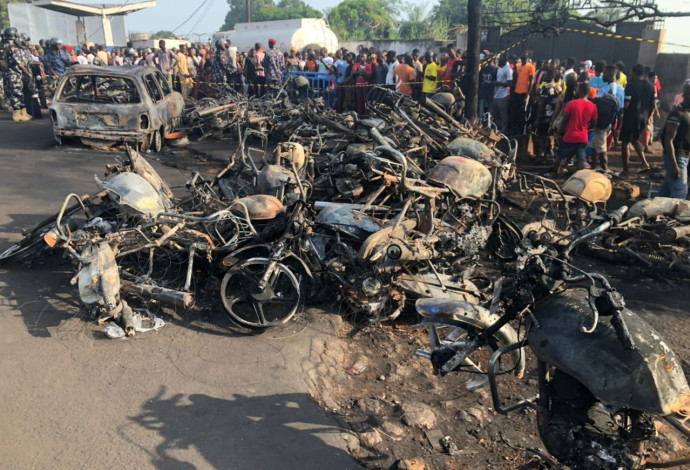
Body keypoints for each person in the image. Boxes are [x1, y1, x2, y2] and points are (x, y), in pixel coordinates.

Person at [553, 82, 598, 175]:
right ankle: (580, 177)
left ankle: (555, 174)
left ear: (579, 91)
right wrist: (586, 127)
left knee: (560, 155)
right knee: (581, 158)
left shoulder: (571, 104)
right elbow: (594, 123)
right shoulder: (592, 106)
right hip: (583, 137)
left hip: (569, 135)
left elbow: (564, 120)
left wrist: (559, 133)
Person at [620, 64, 655, 178]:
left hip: (631, 117)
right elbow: (653, 104)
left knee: (625, 143)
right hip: (643, 118)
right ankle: (645, 163)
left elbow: (627, 104)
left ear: (634, 73)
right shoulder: (650, 86)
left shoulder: (631, 85)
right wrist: (647, 117)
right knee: (634, 139)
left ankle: (625, 171)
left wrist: (621, 111)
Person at [658, 85, 690, 199]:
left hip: (686, 155)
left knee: (666, 190)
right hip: (677, 156)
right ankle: (678, 216)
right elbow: (668, 139)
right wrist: (673, 165)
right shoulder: (678, 113)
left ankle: (653, 209)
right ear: (686, 96)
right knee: (680, 192)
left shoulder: (687, 112)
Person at [590, 65, 621, 171]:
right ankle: (593, 167)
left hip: (603, 123)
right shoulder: (615, 87)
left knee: (601, 148)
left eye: (605, 73)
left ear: (611, 74)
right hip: (606, 122)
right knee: (594, 145)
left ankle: (605, 169)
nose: (603, 75)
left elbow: (606, 106)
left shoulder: (611, 89)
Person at [1, 27, 31, 121]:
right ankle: (17, 114)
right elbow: (20, 64)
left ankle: (23, 113)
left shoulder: (4, 46)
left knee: (18, 93)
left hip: (10, 73)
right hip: (14, 73)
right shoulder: (12, 47)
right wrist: (28, 74)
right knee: (16, 93)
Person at [510, 53, 535, 135]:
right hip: (516, 92)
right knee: (514, 112)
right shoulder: (518, 66)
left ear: (527, 58)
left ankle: (521, 131)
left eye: (525, 58)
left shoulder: (531, 67)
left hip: (524, 93)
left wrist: (528, 94)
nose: (523, 60)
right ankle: (513, 130)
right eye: (522, 58)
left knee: (522, 113)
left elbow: (531, 81)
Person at [491, 55, 512, 134]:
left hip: (503, 95)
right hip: (496, 94)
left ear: (505, 59)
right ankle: (495, 129)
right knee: (494, 114)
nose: (498, 59)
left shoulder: (508, 69)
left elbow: (510, 83)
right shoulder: (499, 68)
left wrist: (498, 83)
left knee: (503, 114)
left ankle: (504, 130)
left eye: (500, 58)